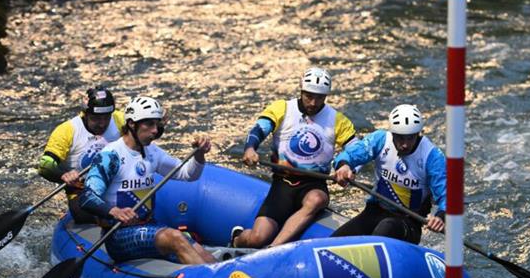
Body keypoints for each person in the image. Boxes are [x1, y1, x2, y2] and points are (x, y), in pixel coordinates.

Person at [78, 96, 215, 265]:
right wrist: (114, 211)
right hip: (118, 235)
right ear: (132, 124)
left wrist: (199, 154)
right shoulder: (110, 156)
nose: (155, 131)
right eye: (149, 124)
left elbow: (188, 174)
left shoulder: (152, 152)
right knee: (174, 237)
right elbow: (87, 197)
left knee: (205, 255)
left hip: (149, 226)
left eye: (157, 124)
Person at [232, 67, 358, 248]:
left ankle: (273, 248)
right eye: (309, 96)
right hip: (282, 184)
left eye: (319, 98)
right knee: (257, 238)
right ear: (301, 91)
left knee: (318, 199)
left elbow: (356, 149)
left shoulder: (338, 120)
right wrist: (250, 148)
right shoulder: (282, 108)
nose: (313, 103)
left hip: (314, 183)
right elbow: (259, 129)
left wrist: (347, 167)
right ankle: (237, 238)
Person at [331, 104, 446, 243]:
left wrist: (440, 216)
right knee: (334, 241)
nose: (405, 144)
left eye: (410, 138)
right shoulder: (380, 139)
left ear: (418, 133)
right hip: (375, 212)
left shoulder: (432, 157)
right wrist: (344, 165)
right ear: (392, 133)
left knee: (386, 227)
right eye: (401, 138)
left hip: (408, 223)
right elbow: (352, 153)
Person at [38, 85, 132, 223]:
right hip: (82, 190)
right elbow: (45, 165)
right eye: (96, 118)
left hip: (118, 182)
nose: (102, 124)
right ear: (85, 114)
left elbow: (143, 131)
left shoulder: (119, 119)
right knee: (83, 214)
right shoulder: (67, 130)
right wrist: (63, 175)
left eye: (106, 118)